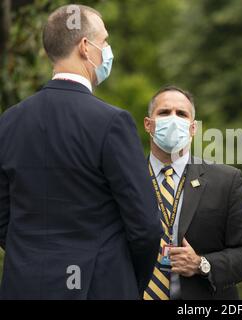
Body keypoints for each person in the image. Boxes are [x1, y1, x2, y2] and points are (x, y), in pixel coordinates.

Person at [0, 4, 162, 299]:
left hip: (24, 286)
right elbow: (147, 227)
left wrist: (30, 262)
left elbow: (2, 216)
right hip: (97, 287)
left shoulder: (9, 121)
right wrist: (124, 280)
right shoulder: (113, 123)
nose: (108, 50)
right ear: (86, 47)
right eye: (106, 41)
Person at [142, 86, 242, 300]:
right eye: (164, 112)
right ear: (148, 124)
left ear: (193, 128)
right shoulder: (124, 179)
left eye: (181, 114)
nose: (173, 119)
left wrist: (202, 264)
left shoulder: (226, 181)